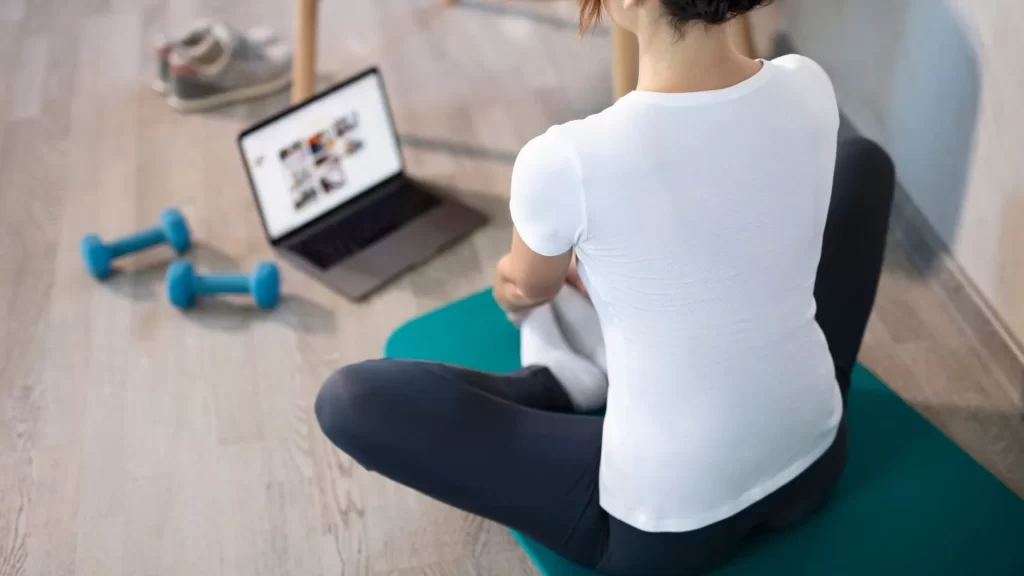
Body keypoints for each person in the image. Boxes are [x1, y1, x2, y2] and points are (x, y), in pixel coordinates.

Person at [314, 0, 896, 573]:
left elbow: (529, 290)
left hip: (665, 530)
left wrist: (509, 280)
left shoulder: (566, 159)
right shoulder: (807, 84)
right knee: (864, 162)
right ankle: (568, 384)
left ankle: (552, 387)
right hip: (817, 458)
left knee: (350, 400)